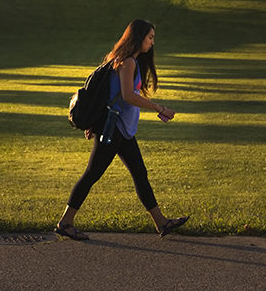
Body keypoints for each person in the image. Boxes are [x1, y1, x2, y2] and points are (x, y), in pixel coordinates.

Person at [56, 19, 188, 241]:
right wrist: (159, 107)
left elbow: (109, 95)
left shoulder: (124, 60)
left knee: (139, 173)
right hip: (113, 129)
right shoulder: (128, 63)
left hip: (122, 130)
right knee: (92, 174)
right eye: (150, 37)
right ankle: (65, 222)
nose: (152, 42)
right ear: (138, 38)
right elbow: (126, 96)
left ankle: (161, 223)